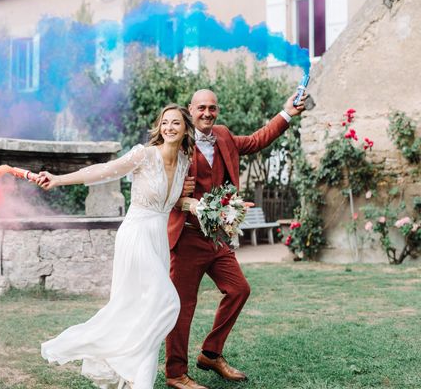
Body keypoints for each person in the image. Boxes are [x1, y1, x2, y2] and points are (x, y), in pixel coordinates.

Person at [39, 104, 195, 389]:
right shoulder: (144, 155)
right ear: (159, 127)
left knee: (147, 313)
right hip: (136, 236)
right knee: (168, 303)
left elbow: (170, 203)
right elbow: (104, 171)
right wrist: (59, 179)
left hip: (157, 240)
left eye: (176, 123)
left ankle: (141, 383)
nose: (169, 128)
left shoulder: (185, 161)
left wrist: (197, 205)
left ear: (186, 128)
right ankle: (113, 355)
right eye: (165, 123)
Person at [164, 89, 308, 389]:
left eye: (212, 108)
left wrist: (286, 113)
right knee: (182, 306)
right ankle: (176, 373)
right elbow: (157, 183)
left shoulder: (224, 135)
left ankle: (210, 354)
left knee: (239, 289)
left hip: (217, 239)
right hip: (187, 239)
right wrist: (178, 192)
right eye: (201, 107)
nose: (207, 113)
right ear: (190, 110)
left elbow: (256, 140)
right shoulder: (176, 141)